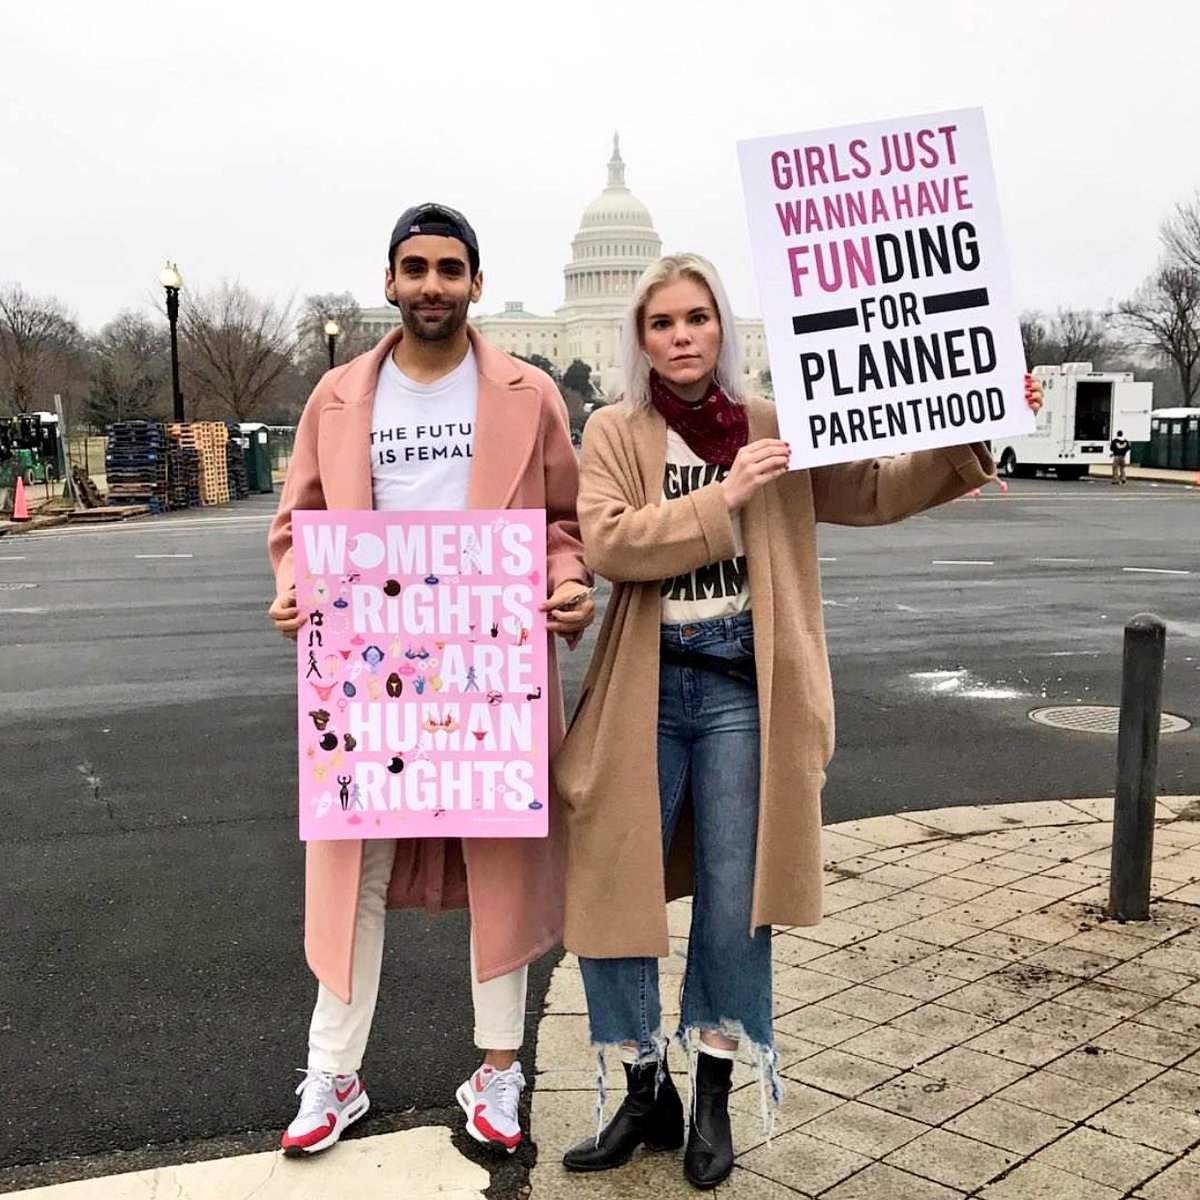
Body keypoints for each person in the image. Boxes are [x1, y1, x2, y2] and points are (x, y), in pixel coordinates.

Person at [553, 253, 1043, 1189]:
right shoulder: (617, 430)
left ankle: (715, 1095)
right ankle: (644, 1083)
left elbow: (873, 489)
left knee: (737, 902)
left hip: (744, 692)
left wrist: (973, 427)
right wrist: (721, 497)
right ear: (640, 336)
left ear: (721, 328)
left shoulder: (780, 428)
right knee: (609, 885)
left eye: (698, 318)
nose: (682, 336)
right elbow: (611, 543)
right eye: (663, 323)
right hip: (647, 691)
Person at [267, 203, 594, 1157]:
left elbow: (561, 523)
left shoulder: (529, 394)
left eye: (450, 270)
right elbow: (299, 524)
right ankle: (333, 1072)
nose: (432, 286)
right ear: (389, 280)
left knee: (501, 863)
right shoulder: (335, 396)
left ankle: (498, 1070)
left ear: (476, 284)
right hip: (369, 672)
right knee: (351, 870)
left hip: (488, 661)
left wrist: (568, 583)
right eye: (415, 268)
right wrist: (296, 589)